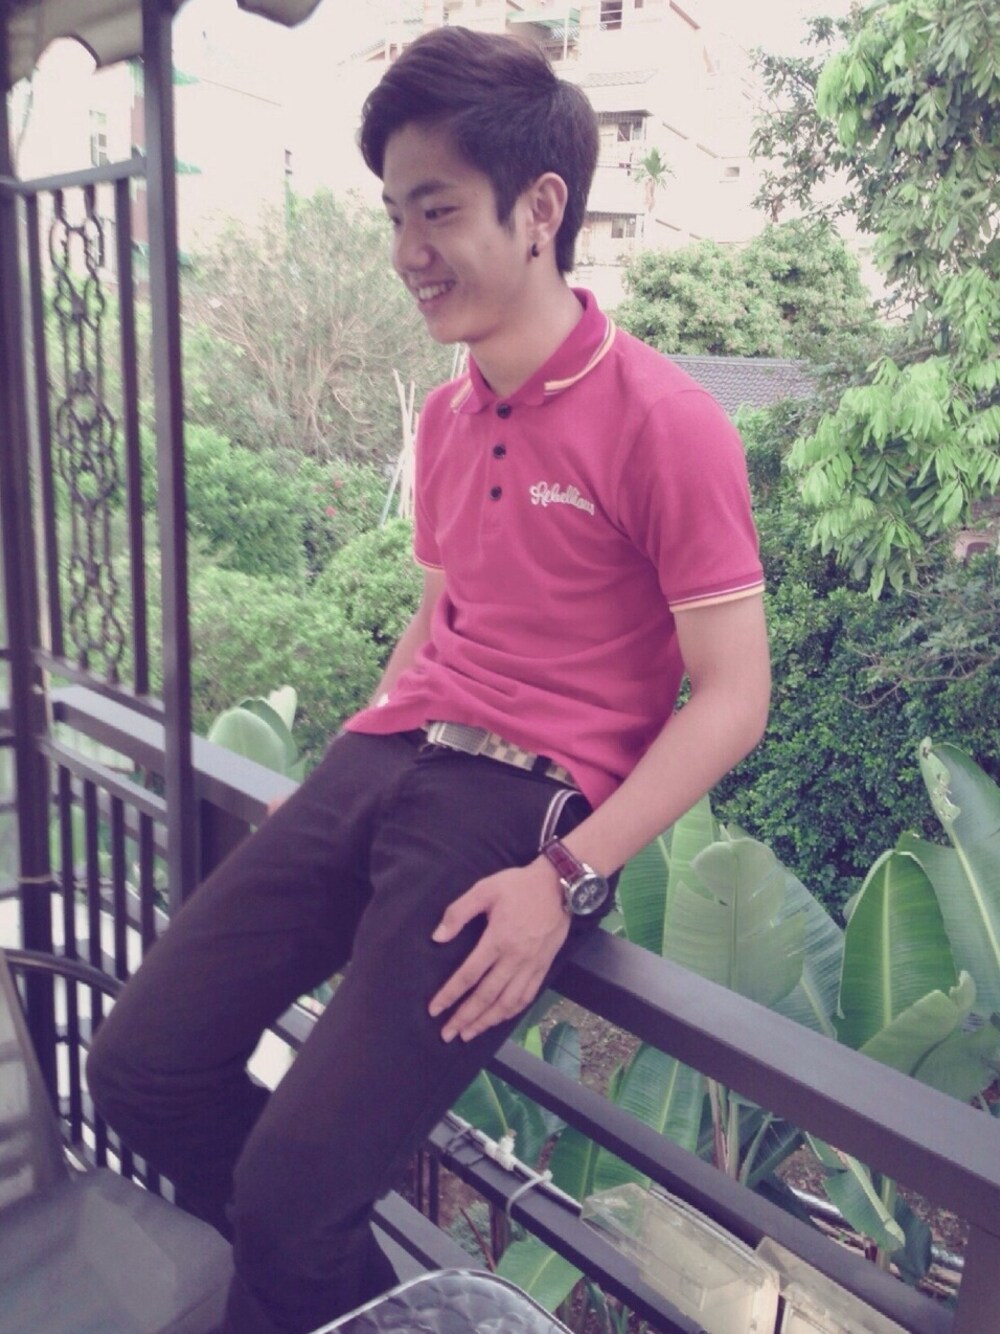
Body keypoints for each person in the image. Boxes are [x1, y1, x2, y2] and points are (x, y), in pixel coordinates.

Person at [88, 25, 770, 1334]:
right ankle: (345, 1293)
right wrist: (336, 777)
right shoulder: (453, 414)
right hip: (383, 759)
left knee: (292, 1197)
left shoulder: (666, 420)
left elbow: (734, 696)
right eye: (395, 214)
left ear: (542, 208)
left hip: (510, 811)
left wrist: (566, 877)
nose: (407, 249)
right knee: (139, 1067)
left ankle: (299, 1261)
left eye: (438, 209)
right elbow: (442, 609)